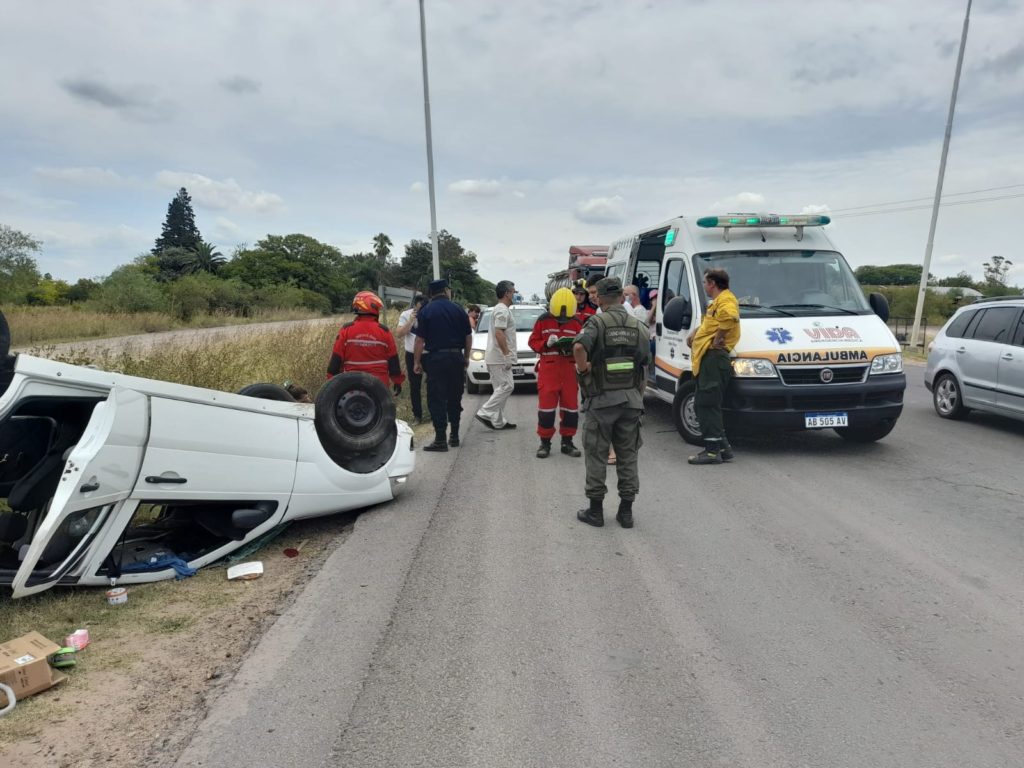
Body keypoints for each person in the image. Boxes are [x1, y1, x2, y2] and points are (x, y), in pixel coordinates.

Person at [572, 276, 651, 529]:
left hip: (602, 400)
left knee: (596, 454)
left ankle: (595, 512)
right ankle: (626, 513)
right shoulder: (638, 326)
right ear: (621, 297)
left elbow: (578, 348)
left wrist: (584, 371)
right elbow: (643, 365)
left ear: (601, 298)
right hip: (630, 401)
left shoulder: (596, 322)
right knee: (628, 456)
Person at [685, 268, 740, 465]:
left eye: (705, 282)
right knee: (706, 403)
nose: (704, 286)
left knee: (706, 404)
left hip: (714, 359)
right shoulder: (718, 302)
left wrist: (718, 339)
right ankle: (723, 448)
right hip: (708, 360)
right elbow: (712, 322)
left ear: (713, 284)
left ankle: (711, 452)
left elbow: (729, 317)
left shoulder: (726, 300)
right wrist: (695, 333)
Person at [413, 279, 472, 452]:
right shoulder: (458, 309)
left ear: (431, 293)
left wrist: (416, 362)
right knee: (455, 396)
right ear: (445, 290)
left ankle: (440, 439)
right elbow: (468, 337)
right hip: (456, 358)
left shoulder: (426, 311)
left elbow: (419, 340)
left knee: (436, 398)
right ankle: (454, 435)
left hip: (436, 360)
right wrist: (466, 357)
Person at [527, 287, 583, 459]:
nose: (563, 319)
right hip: (549, 370)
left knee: (571, 409)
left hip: (569, 369)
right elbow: (533, 341)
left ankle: (567, 442)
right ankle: (545, 443)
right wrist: (546, 343)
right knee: (546, 410)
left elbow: (584, 346)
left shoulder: (576, 322)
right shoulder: (543, 321)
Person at [326, 291, 405, 393]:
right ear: (373, 308)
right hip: (379, 385)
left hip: (352, 383)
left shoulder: (346, 330)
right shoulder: (384, 331)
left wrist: (331, 382)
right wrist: (397, 381)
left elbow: (336, 360)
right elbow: (393, 360)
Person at [475, 279, 518, 431]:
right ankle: (485, 412)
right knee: (507, 386)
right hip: (499, 357)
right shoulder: (502, 310)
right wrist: (507, 355)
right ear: (507, 293)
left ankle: (498, 421)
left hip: (496, 357)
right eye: (513, 292)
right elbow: (499, 333)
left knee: (499, 389)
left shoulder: (501, 309)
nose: (514, 295)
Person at [396, 294, 429, 423]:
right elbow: (399, 334)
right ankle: (417, 415)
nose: (421, 312)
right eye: (418, 309)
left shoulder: (430, 313)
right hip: (411, 354)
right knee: (414, 386)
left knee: (433, 384)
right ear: (415, 306)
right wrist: (410, 321)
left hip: (428, 353)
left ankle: (434, 412)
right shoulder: (406, 314)